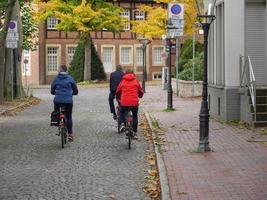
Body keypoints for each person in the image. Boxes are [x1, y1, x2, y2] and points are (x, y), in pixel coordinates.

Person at [51, 65, 78, 141]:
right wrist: (73, 93)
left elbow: (52, 90)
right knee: (69, 116)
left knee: (56, 111)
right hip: (68, 101)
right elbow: (75, 90)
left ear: (60, 71)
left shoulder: (56, 79)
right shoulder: (70, 78)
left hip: (58, 100)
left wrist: (54, 93)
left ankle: (57, 121)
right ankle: (70, 134)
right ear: (66, 71)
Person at [116, 69, 144, 139]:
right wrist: (140, 96)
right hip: (134, 103)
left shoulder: (122, 81)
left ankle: (122, 124)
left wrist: (119, 97)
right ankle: (134, 133)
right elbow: (140, 91)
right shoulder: (136, 81)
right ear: (133, 73)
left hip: (124, 102)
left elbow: (118, 91)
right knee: (135, 116)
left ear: (125, 74)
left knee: (122, 112)